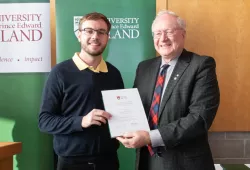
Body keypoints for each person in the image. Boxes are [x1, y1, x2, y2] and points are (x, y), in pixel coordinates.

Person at [117, 10, 220, 170]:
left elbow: (200, 118)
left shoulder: (201, 65)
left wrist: (151, 137)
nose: (163, 39)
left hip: (184, 163)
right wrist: (123, 126)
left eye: (169, 32)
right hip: (147, 160)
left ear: (183, 34)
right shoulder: (144, 67)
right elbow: (135, 109)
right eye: (157, 33)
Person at [38, 12, 124, 170]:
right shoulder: (60, 72)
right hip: (72, 163)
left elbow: (120, 115)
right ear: (79, 35)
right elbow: (44, 121)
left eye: (101, 32)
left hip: (108, 160)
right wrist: (81, 121)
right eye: (89, 31)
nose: (95, 36)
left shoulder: (113, 73)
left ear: (107, 37)